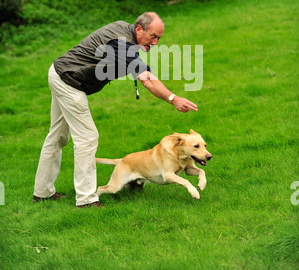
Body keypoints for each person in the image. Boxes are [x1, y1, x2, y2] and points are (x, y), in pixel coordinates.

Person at [33, 12, 198, 208]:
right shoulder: (121, 43)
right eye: (153, 36)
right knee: (87, 137)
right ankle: (86, 200)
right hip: (68, 81)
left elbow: (139, 69)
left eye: (159, 38)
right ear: (138, 29)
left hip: (60, 73)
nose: (155, 43)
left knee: (58, 137)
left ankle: (42, 193)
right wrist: (173, 98)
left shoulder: (126, 36)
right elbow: (146, 79)